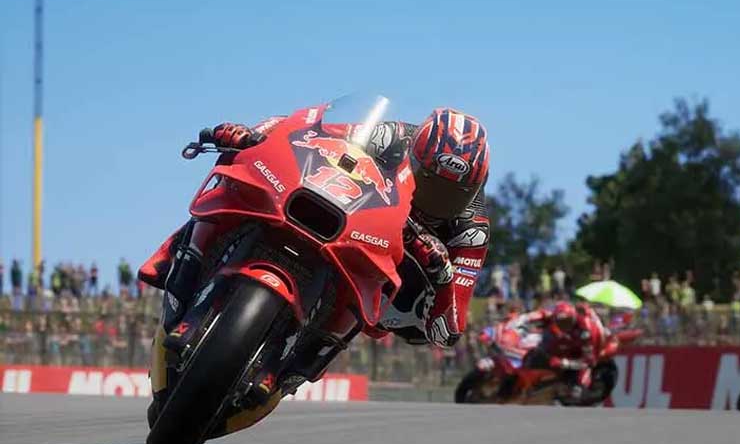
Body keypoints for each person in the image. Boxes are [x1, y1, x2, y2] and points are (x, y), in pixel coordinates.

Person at [139, 105, 490, 398]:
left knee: (402, 308)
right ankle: (181, 263)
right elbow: (306, 128)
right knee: (241, 177)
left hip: (391, 270)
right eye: (429, 181)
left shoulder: (471, 231)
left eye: (452, 194)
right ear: (413, 156)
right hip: (353, 217)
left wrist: (442, 276)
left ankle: (294, 364)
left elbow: (448, 330)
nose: (437, 201)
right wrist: (254, 135)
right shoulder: (391, 136)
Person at [508, 301, 606, 402]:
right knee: (534, 354)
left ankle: (577, 389)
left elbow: (589, 362)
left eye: (567, 321)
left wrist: (564, 363)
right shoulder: (557, 318)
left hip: (585, 351)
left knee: (577, 392)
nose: (564, 325)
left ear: (574, 317)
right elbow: (542, 314)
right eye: (561, 323)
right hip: (564, 343)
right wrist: (523, 318)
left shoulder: (586, 332)